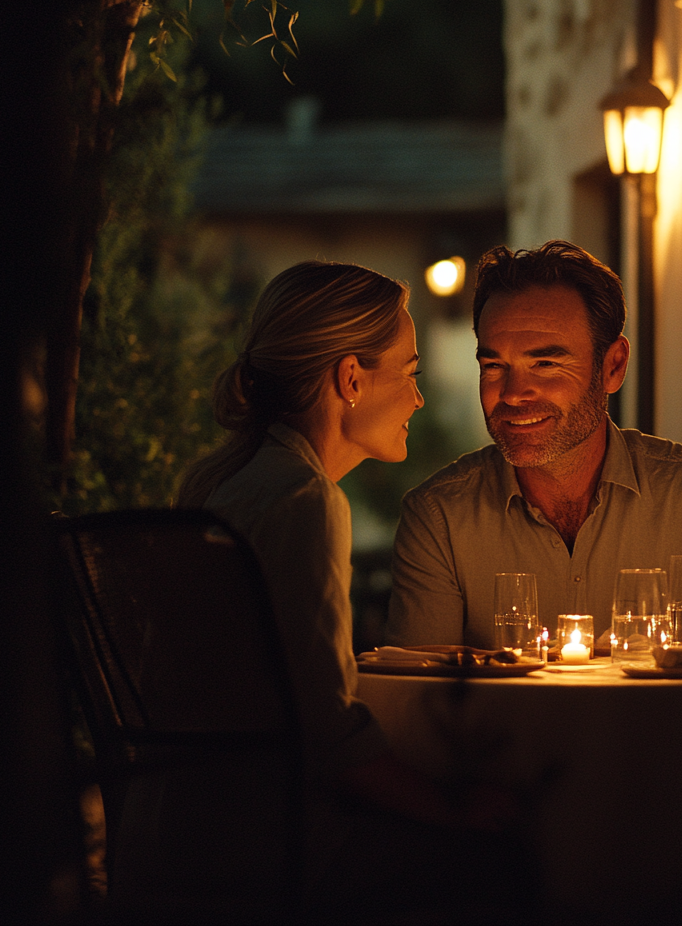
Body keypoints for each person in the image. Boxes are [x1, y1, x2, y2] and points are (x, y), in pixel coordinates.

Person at [123, 261, 524, 922]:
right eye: (411, 370)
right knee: (503, 858)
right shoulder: (301, 500)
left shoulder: (229, 483)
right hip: (261, 853)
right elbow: (324, 736)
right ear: (350, 378)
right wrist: (453, 806)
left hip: (166, 836)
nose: (419, 399)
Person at [386, 241, 682, 650]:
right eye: (494, 366)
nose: (512, 394)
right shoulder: (440, 518)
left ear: (613, 367)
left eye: (545, 364)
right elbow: (423, 700)